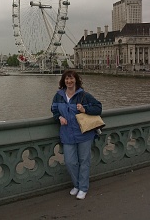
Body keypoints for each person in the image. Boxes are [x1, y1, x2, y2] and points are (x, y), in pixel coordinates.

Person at [51, 69, 102, 200]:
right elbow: (54, 109)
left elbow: (98, 107)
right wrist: (58, 118)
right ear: (63, 81)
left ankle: (83, 188)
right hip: (67, 134)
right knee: (70, 162)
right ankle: (77, 184)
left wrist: (85, 109)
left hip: (84, 134)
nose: (69, 81)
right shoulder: (58, 95)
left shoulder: (83, 95)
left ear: (76, 80)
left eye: (71, 78)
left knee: (84, 161)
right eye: (67, 79)